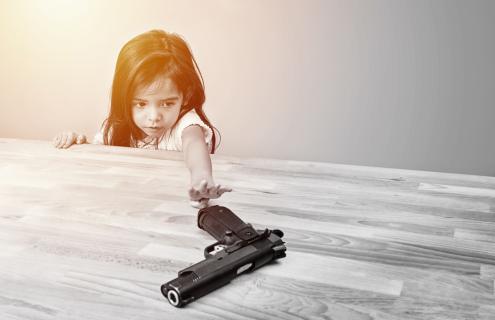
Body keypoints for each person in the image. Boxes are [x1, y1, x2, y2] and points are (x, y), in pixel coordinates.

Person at [53, 29, 231, 208]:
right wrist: (80, 144)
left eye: (167, 103)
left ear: (185, 96)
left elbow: (194, 145)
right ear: (125, 99)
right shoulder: (117, 127)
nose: (154, 117)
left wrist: (201, 179)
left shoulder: (185, 125)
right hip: (127, 208)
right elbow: (101, 163)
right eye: (140, 104)